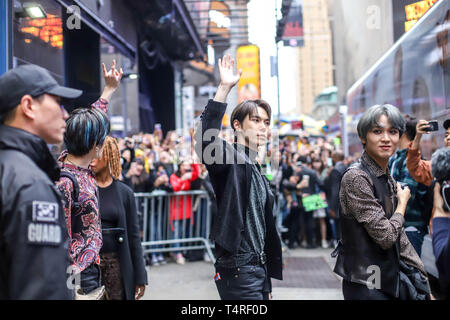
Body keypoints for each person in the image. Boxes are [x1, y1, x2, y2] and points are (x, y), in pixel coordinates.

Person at [194, 55, 283, 300]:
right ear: (238, 125)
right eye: (255, 120)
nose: (263, 126)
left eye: (266, 122)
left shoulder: (255, 167)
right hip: (238, 270)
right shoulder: (229, 156)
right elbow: (204, 142)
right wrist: (224, 88)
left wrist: (267, 284)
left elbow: (263, 228)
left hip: (257, 270)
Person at [0, 64, 82, 299]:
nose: (65, 114)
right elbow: (43, 288)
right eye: (58, 102)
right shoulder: (29, 184)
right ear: (28, 106)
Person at [332, 104, 430, 300]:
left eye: (392, 132)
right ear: (363, 137)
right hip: (367, 284)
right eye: (377, 131)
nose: (386, 138)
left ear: (399, 137)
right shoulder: (357, 178)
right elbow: (386, 236)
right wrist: (402, 205)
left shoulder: (385, 177)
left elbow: (400, 239)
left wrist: (423, 280)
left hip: (385, 281)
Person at [56, 61, 122, 296]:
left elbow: (93, 122)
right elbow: (59, 238)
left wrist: (109, 90)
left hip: (91, 268)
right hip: (76, 275)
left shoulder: (83, 168)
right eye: (103, 141)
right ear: (95, 145)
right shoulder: (65, 180)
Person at [90, 137, 148, 300]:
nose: (91, 159)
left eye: (97, 154)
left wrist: (140, 277)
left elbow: (134, 238)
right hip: (90, 269)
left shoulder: (124, 193)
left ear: (109, 156)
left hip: (118, 266)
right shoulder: (84, 190)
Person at [388, 118, 431, 256]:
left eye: (393, 131)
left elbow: (408, 194)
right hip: (397, 227)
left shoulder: (411, 162)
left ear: (403, 133)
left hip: (410, 228)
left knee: (411, 275)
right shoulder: (395, 159)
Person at [169, 160, 200, 264]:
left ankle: (179, 251)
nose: (185, 167)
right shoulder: (174, 176)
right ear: (179, 166)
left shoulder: (188, 175)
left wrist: (193, 162)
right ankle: (177, 253)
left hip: (186, 210)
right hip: (176, 210)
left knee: (183, 232)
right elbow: (175, 188)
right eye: (183, 165)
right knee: (176, 233)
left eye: (186, 165)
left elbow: (196, 174)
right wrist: (183, 179)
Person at [406, 118, 450, 187]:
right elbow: (415, 167)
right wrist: (418, 137)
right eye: (446, 135)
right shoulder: (439, 166)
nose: (448, 138)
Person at [324, 150, 347, 247]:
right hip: (346, 202)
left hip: (338, 204)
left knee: (339, 228)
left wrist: (332, 208)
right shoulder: (347, 167)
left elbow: (335, 190)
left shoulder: (335, 170)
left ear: (334, 158)